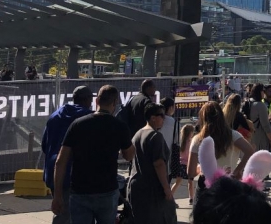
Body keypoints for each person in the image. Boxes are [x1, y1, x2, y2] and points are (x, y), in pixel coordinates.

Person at [51, 85, 135, 224]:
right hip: (106, 190)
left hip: (80, 191)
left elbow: (60, 161)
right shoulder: (119, 126)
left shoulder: (77, 124)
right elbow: (129, 155)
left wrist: (58, 195)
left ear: (96, 101)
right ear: (114, 103)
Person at [41, 86, 93, 224]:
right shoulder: (88, 118)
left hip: (54, 172)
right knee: (70, 216)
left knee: (62, 211)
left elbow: (45, 145)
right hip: (75, 173)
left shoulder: (55, 116)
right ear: (88, 99)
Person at [187, 102, 255, 200]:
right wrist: (237, 170)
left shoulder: (197, 139)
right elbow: (250, 151)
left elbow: (190, 173)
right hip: (228, 181)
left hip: (206, 184)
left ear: (203, 118)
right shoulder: (233, 135)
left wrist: (201, 167)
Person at [127, 102, 176, 224]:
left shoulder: (138, 134)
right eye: (161, 115)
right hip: (152, 189)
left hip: (136, 186)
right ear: (153, 118)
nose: (164, 119)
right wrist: (166, 188)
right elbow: (159, 163)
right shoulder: (155, 136)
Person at [170, 124, 195, 205]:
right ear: (190, 133)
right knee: (190, 182)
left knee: (178, 182)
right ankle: (191, 198)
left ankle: (170, 195)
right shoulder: (191, 142)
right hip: (188, 164)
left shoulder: (181, 143)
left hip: (181, 164)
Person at [248, 83, 271, 152]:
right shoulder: (260, 105)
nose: (264, 93)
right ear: (260, 92)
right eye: (263, 91)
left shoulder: (249, 102)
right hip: (260, 138)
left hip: (249, 136)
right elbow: (266, 125)